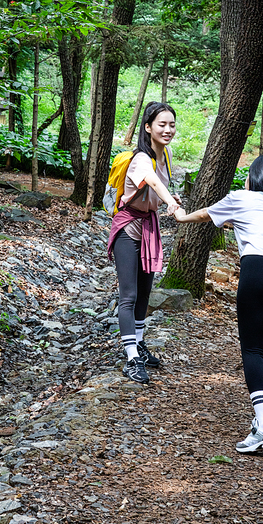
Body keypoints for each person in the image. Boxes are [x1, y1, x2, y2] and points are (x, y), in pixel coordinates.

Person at [173, 155, 263, 453]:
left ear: (254, 179)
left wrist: (181, 215)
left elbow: (206, 215)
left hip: (260, 270)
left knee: (253, 349)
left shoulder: (242, 197)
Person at [107, 102, 180, 385]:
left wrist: (170, 202)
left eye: (171, 124)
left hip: (149, 225)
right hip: (128, 228)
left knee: (145, 293)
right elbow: (153, 182)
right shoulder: (141, 159)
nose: (167, 130)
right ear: (148, 127)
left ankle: (138, 345)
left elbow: (159, 189)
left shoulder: (167, 155)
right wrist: (171, 202)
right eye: (161, 124)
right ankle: (130, 358)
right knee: (129, 296)